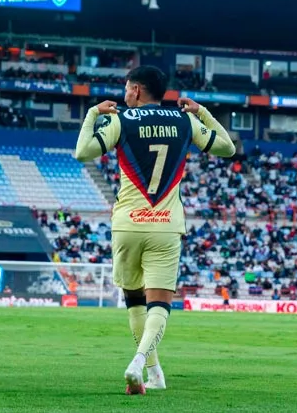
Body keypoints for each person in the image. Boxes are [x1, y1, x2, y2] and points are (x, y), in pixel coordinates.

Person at [75, 65, 235, 395]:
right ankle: (140, 363)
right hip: (166, 225)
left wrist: (93, 113)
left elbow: (83, 152)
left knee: (134, 300)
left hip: (128, 224)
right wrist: (201, 111)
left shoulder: (119, 120)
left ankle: (153, 372)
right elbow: (227, 148)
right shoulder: (185, 120)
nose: (123, 94)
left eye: (126, 88)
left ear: (135, 90)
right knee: (159, 304)